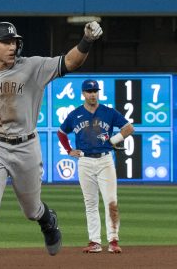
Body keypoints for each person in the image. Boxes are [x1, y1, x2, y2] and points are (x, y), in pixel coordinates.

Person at [0, 20, 104, 269]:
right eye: (6, 42)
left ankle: (47, 220)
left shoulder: (33, 67)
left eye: (14, 42)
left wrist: (87, 40)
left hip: (26, 147)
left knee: (31, 211)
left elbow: (70, 62)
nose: (12, 46)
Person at [57, 79, 134, 254]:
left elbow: (129, 128)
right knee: (90, 203)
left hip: (105, 160)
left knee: (111, 201)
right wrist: (69, 150)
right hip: (84, 161)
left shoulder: (108, 112)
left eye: (95, 91)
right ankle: (95, 242)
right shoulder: (75, 114)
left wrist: (113, 140)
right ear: (83, 94)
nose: (93, 94)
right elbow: (61, 132)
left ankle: (113, 241)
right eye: (89, 91)